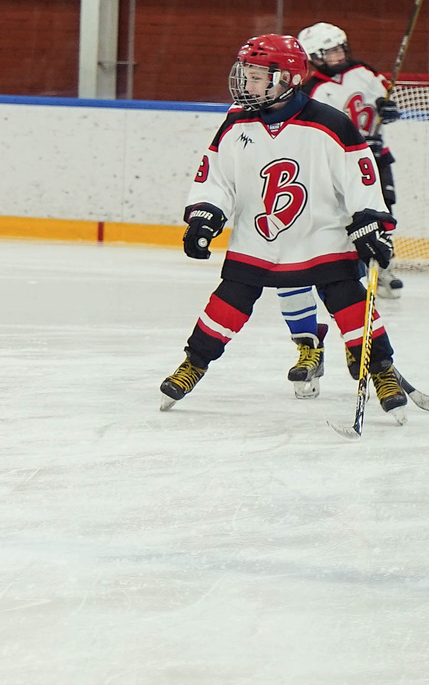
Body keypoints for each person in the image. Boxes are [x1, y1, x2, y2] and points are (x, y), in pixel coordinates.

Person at [160, 34, 414, 419]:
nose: (248, 83)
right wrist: (205, 213)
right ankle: (194, 362)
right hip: (259, 237)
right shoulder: (236, 123)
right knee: (229, 300)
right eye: (246, 73)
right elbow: (216, 177)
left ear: (289, 78)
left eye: (258, 75)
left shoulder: (331, 124)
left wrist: (369, 221)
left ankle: (380, 370)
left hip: (321, 234)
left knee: (348, 300)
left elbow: (361, 177)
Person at [270, 21, 406, 393]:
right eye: (328, 52)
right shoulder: (310, 90)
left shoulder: (365, 73)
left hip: (372, 162)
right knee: (306, 265)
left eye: (339, 48)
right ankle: (310, 346)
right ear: (313, 58)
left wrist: (388, 110)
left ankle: (359, 332)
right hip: (327, 181)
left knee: (374, 225)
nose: (337, 56)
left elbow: (387, 103)